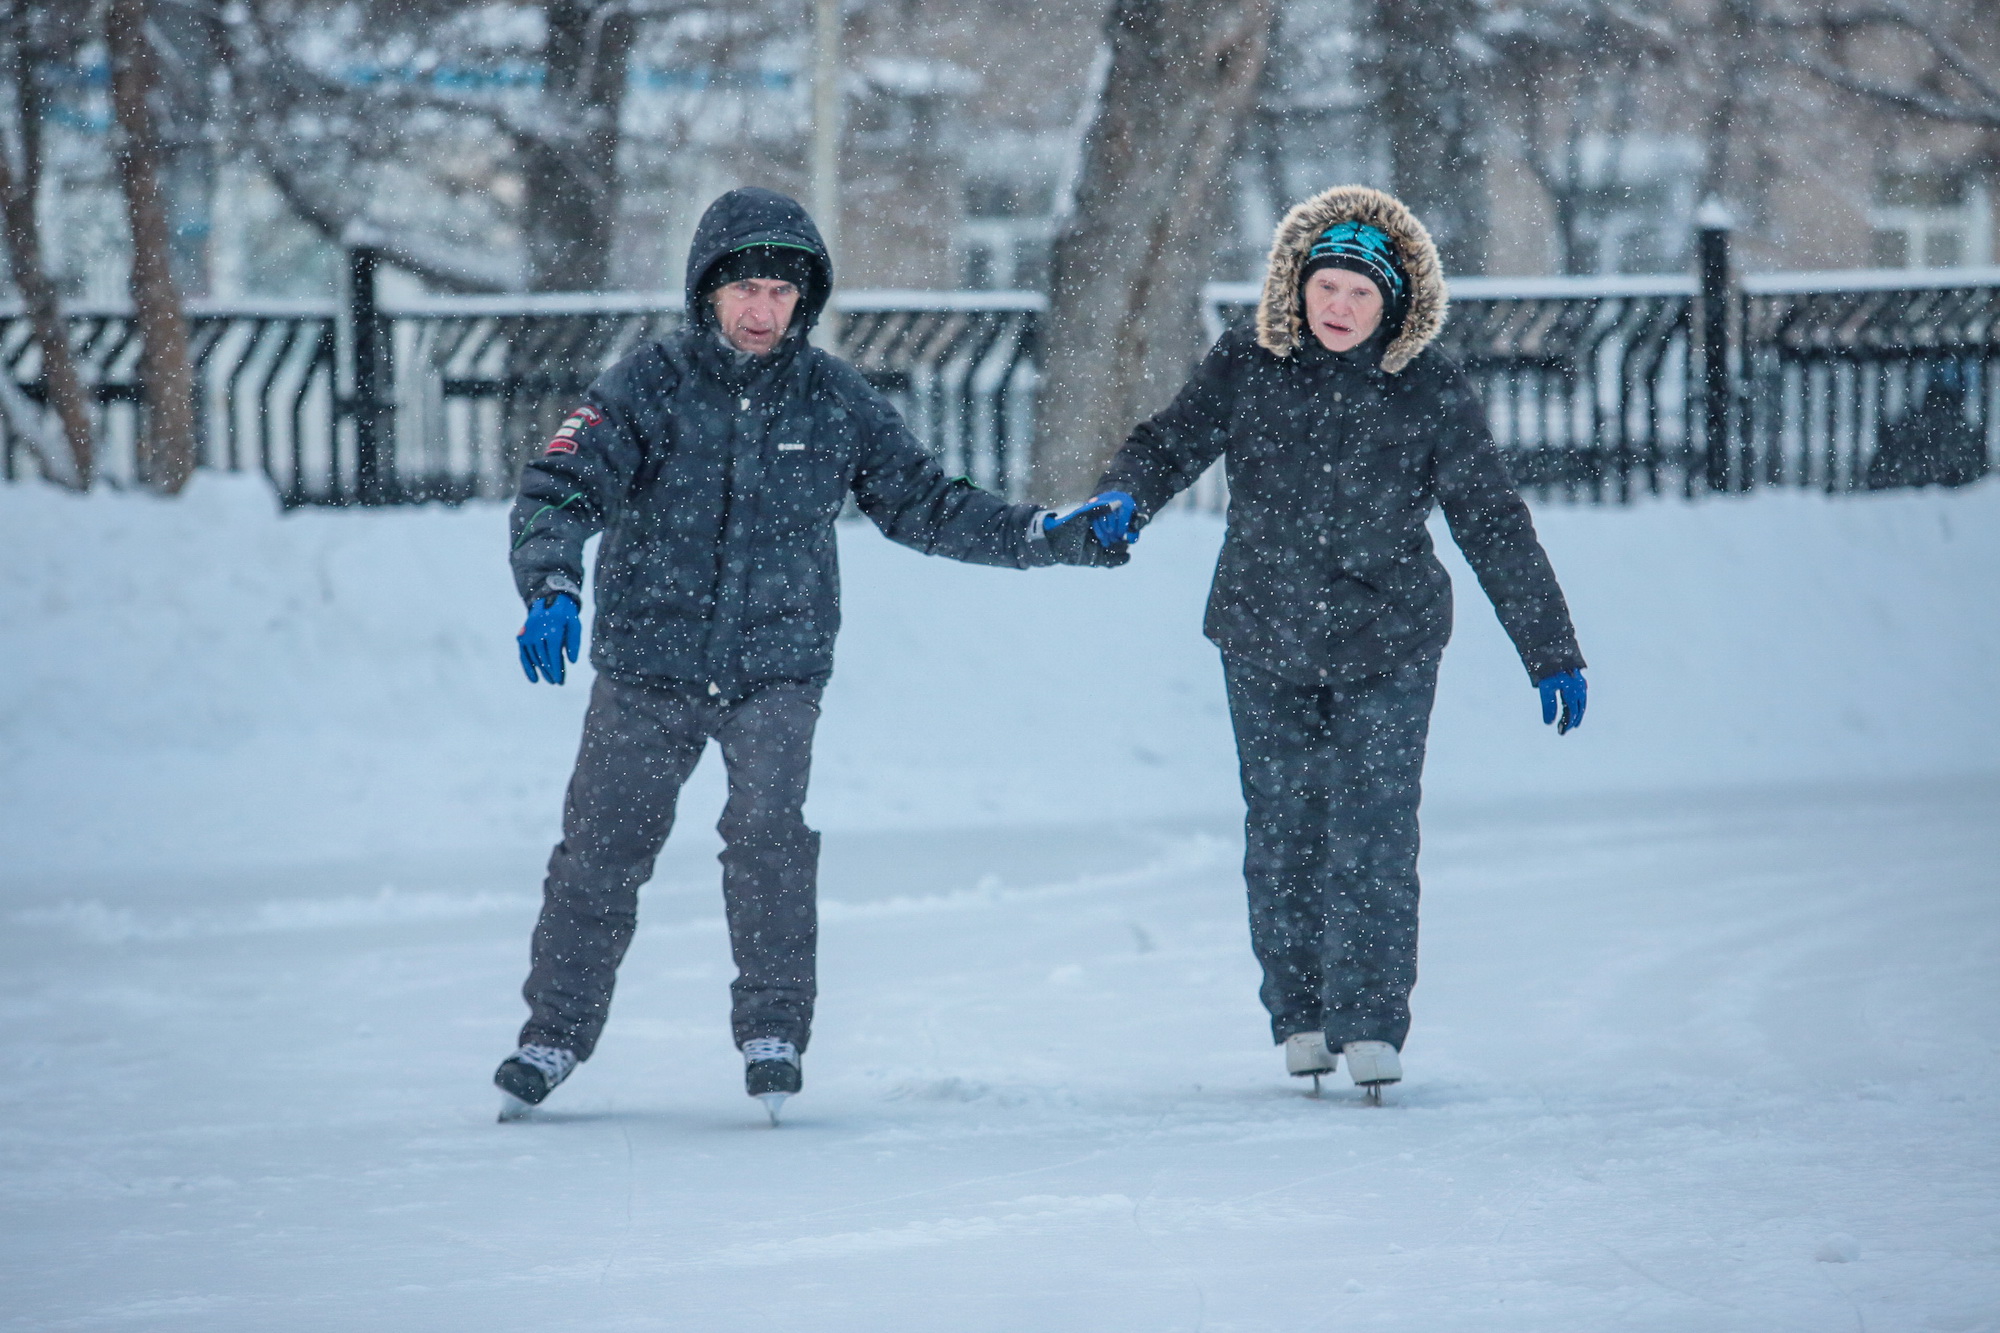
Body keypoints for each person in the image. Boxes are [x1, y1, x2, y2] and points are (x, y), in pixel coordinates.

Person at [495, 187, 1125, 1123]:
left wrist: (1044, 533)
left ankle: (774, 1028)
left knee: (767, 837)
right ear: (708, 292)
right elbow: (558, 485)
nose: (761, 310)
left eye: (780, 293)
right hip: (646, 664)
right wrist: (552, 584)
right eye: (743, 289)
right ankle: (553, 1032)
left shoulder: (834, 399)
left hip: (777, 667)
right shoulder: (648, 384)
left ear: (805, 301)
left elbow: (925, 502)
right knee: (602, 847)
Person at [1085, 185, 1588, 1100]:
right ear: (1297, 287)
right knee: (1284, 830)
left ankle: (1371, 1021)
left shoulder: (1427, 385)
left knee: (1376, 830)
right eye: (1326, 287)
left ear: (1393, 300)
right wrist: (1127, 495)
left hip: (1388, 637)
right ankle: (1303, 1014)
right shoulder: (1248, 362)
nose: (1340, 307)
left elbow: (1491, 520)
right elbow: (1169, 444)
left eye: (1360, 291)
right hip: (1263, 629)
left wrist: (1549, 648)